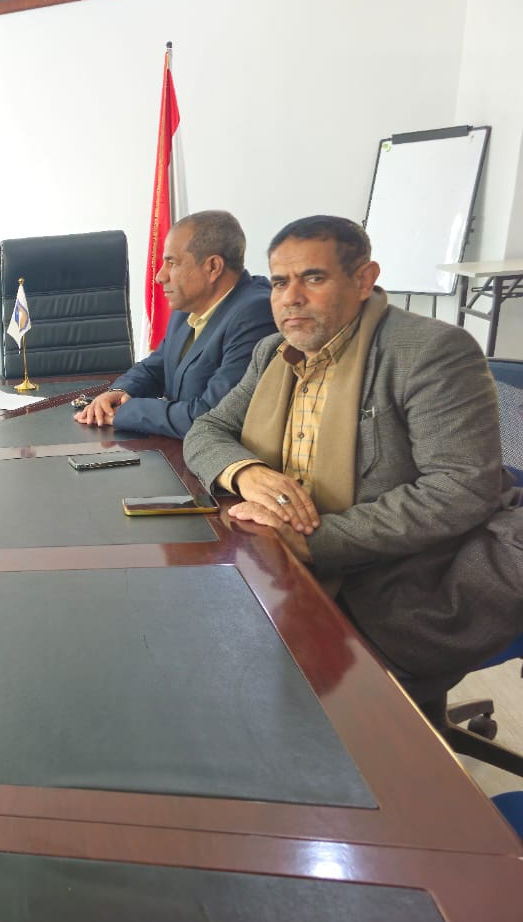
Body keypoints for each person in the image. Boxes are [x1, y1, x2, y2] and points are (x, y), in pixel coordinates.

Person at [184, 215, 522, 703]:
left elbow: (459, 489)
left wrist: (311, 540)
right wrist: (247, 473)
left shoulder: (429, 352)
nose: (290, 297)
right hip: (277, 559)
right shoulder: (274, 352)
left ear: (364, 280)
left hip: (398, 577)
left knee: (288, 703)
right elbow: (207, 429)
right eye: (279, 282)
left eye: (312, 278)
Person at [75, 210, 276, 437]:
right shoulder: (189, 305)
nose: (160, 276)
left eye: (172, 263)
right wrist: (121, 391)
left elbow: (211, 416)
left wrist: (127, 411)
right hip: (177, 446)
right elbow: (156, 366)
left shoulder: (255, 314)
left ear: (213, 267)